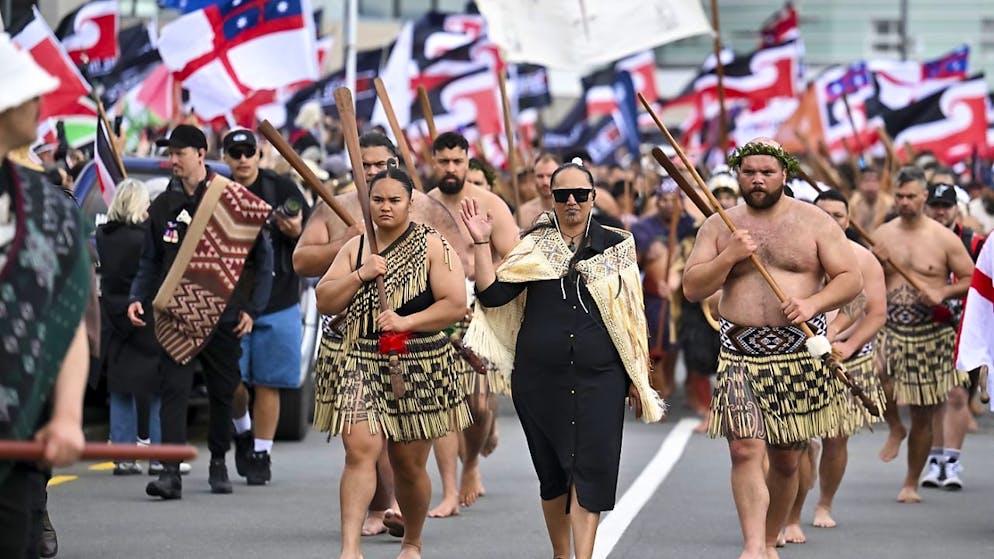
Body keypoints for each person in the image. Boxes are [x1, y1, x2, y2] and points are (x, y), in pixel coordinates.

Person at [461, 160, 664, 559]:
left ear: (593, 197)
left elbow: (631, 317)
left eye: (580, 194)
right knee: (553, 474)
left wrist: (637, 378)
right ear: (551, 199)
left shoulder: (617, 245)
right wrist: (482, 243)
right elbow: (492, 296)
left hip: (601, 378)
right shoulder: (533, 245)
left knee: (590, 470)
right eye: (562, 195)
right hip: (539, 380)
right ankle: (560, 554)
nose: (571, 201)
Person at [683, 139, 862, 559]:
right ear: (738, 175)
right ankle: (752, 545)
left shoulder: (815, 222)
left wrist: (813, 304)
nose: (757, 180)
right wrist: (728, 257)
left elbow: (850, 279)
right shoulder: (719, 225)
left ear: (784, 174)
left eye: (766, 172)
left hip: (797, 354)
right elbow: (692, 288)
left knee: (786, 460)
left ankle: (768, 538)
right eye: (749, 172)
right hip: (739, 355)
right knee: (744, 449)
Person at [300, 132, 471, 537]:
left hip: (418, 358)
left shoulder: (431, 233)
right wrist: (359, 270)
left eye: (394, 200)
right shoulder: (351, 238)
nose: (386, 206)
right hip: (359, 356)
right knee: (361, 449)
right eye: (378, 199)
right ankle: (352, 543)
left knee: (408, 463)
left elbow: (455, 299)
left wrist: (407, 322)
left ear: (409, 202)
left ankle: (414, 536)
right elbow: (317, 287)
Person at [128, 124, 274, 499]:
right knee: (173, 392)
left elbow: (263, 260)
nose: (173, 160)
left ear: (200, 153)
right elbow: (149, 260)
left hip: (224, 315)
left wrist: (253, 309)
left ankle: (218, 464)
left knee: (222, 393)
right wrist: (137, 296)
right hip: (176, 314)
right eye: (170, 154)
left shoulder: (233, 201)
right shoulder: (163, 205)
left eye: (179, 153)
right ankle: (170, 473)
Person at [0, 33, 89, 558]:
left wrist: (68, 416)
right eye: (27, 92)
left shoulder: (51, 208)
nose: (40, 103)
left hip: (18, 437)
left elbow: (67, 320)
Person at [781, 189, 887, 542]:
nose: (830, 220)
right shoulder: (797, 254)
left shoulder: (863, 259)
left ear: (848, 220)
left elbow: (874, 312)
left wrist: (845, 343)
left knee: (836, 438)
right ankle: (791, 516)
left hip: (846, 355)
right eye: (822, 213)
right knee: (798, 438)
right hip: (802, 353)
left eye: (837, 215)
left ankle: (824, 503)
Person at [426, 131, 519, 517]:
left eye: (457, 161)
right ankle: (449, 490)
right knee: (443, 405)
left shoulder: (490, 204)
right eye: (444, 161)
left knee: (478, 405)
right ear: (433, 162)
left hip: (479, 316)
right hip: (436, 317)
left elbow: (515, 258)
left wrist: (481, 274)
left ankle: (471, 464)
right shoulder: (420, 206)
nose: (451, 168)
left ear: (467, 162)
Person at [870, 167, 974, 503]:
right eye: (899, 196)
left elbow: (971, 279)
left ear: (924, 197)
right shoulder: (882, 234)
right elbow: (864, 278)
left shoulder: (944, 239)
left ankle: (911, 482)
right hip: (889, 327)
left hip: (930, 332)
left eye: (911, 196)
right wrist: (876, 262)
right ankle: (894, 427)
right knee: (874, 374)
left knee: (923, 412)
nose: (904, 202)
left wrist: (943, 292)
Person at [221, 129, 311, 486]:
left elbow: (311, 238)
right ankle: (243, 430)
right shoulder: (219, 192)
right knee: (232, 381)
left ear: (259, 155)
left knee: (268, 382)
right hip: (231, 302)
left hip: (279, 299)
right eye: (236, 153)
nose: (243, 159)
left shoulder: (282, 188)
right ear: (225, 158)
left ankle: (261, 453)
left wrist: (294, 229)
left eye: (249, 152)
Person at [918, 182, 985, 490]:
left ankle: (951, 461)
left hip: (962, 328)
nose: (940, 211)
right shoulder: (916, 239)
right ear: (926, 207)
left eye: (946, 206)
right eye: (935, 205)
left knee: (957, 394)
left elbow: (983, 280)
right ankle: (935, 460)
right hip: (925, 327)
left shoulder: (974, 242)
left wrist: (945, 293)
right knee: (934, 396)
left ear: (956, 208)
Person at [96, 179, 163, 476]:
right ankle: (160, 456)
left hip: (114, 317)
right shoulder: (146, 238)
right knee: (157, 388)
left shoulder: (103, 236)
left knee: (121, 388)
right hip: (145, 316)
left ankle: (123, 455)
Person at [515, 153, 560, 227]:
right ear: (533, 178)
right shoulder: (522, 213)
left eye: (550, 176)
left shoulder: (570, 209)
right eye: (540, 176)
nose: (545, 182)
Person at [848, 164, 894, 234]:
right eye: (866, 181)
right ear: (860, 183)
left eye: (874, 181)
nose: (870, 186)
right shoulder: (853, 203)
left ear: (880, 183)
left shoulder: (889, 203)